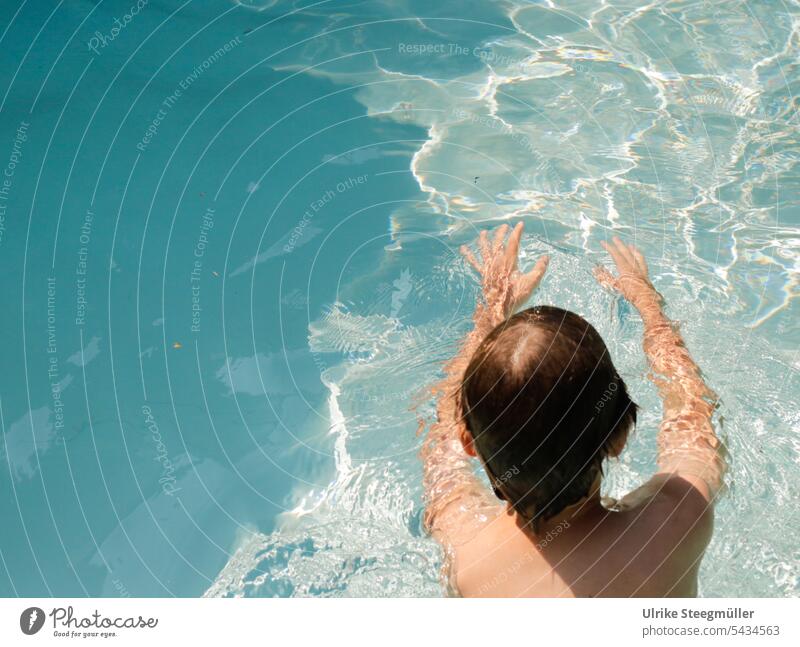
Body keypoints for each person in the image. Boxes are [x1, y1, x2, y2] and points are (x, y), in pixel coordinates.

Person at [421, 223, 725, 597]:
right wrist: (648, 305)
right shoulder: (674, 523)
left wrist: (492, 309)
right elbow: (693, 414)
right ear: (620, 436)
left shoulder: (465, 551)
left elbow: (441, 437)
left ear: (470, 441)